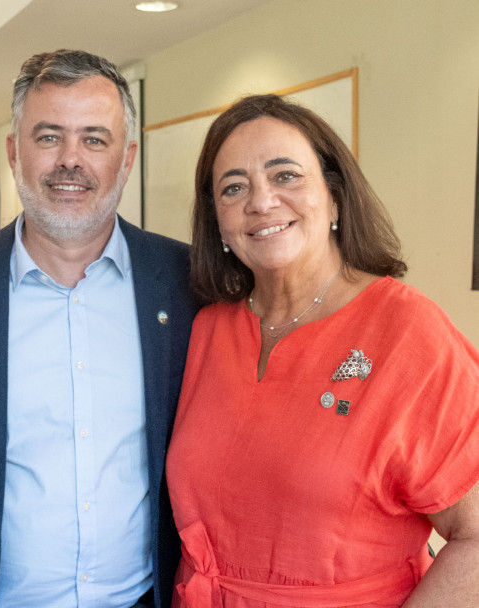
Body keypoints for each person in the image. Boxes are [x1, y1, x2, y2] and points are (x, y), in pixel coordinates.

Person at [0, 49, 200, 608]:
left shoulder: (186, 286)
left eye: (94, 138)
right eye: (47, 136)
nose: (70, 160)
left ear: (126, 158)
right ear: (14, 151)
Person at [165, 94, 479, 607]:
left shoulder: (407, 332)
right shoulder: (208, 329)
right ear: (217, 222)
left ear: (334, 197)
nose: (261, 201)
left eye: (285, 175)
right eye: (234, 187)